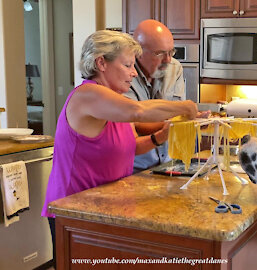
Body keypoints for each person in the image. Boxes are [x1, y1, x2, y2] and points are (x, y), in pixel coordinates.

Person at [41, 30, 197, 267]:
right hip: (75, 211)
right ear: (101, 63)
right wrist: (183, 107)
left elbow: (130, 147)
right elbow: (139, 111)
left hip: (107, 207)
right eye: (127, 65)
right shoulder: (87, 95)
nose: (134, 73)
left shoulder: (112, 102)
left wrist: (160, 136)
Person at [124, 20, 193, 172]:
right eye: (160, 53)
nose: (168, 60)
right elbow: (132, 123)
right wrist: (173, 126)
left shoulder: (174, 67)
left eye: (171, 52)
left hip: (168, 165)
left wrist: (188, 119)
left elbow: (177, 113)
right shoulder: (123, 75)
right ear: (138, 52)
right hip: (134, 167)